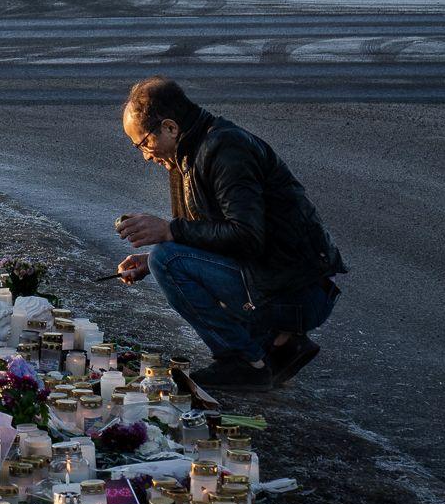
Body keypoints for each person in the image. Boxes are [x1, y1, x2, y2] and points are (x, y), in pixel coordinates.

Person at [113, 77, 344, 392]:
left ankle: (246, 360)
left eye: (143, 144)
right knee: (163, 259)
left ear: (169, 127)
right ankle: (276, 343)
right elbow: (212, 237)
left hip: (300, 294)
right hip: (278, 282)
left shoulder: (225, 148)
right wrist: (153, 257)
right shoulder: (186, 156)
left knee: (167, 260)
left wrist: (169, 232)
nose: (145, 155)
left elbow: (246, 236)